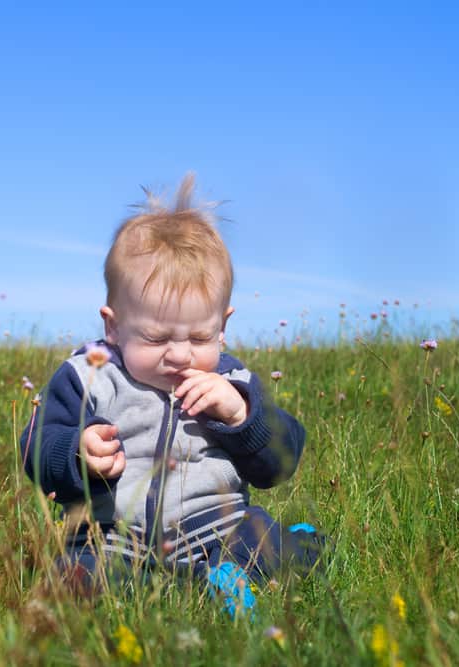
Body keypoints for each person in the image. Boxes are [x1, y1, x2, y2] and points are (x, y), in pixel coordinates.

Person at [20, 174, 323, 616]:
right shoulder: (90, 375)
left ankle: (250, 565)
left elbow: (282, 460)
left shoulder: (231, 379)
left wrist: (242, 415)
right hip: (112, 536)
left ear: (223, 324)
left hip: (216, 530)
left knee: (257, 537)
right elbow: (36, 443)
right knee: (79, 576)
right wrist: (75, 453)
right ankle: (105, 592)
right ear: (114, 325)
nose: (180, 354)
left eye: (200, 336)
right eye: (157, 337)